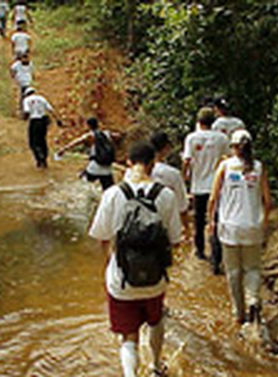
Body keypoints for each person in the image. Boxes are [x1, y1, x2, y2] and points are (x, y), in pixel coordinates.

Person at [89, 141, 182, 377]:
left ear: (128, 163)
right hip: (156, 280)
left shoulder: (112, 194)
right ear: (153, 164)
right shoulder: (166, 195)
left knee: (128, 336)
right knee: (155, 320)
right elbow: (175, 239)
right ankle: (156, 366)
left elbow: (101, 237)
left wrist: (110, 262)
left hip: (121, 281)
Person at [207, 130, 271, 325]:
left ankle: (239, 313)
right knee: (252, 268)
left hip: (229, 227)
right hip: (253, 225)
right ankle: (253, 299)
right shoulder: (259, 167)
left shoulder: (225, 167)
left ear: (233, 147)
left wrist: (211, 221)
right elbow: (267, 201)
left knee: (233, 271)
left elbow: (213, 198)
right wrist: (264, 221)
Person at [182, 107, 229, 262]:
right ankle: (217, 255)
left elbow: (187, 160)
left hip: (198, 185)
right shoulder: (222, 138)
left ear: (199, 121)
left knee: (199, 220)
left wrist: (185, 176)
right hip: (217, 186)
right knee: (217, 219)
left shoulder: (191, 138)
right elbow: (227, 159)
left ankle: (200, 250)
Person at [56, 117, 117, 190]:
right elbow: (118, 136)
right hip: (107, 168)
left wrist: (63, 149)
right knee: (109, 190)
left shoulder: (90, 135)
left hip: (95, 167)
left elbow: (76, 142)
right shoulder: (107, 133)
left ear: (88, 126)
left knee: (83, 182)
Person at [149, 131, 190, 237]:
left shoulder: (133, 173)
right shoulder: (173, 174)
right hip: (166, 224)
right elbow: (182, 205)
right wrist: (186, 227)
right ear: (166, 148)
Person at [22, 87, 63, 168]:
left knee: (33, 141)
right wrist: (58, 120)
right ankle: (44, 158)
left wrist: (25, 118)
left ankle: (39, 158)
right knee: (42, 139)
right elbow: (51, 110)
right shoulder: (42, 98)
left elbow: (27, 111)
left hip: (34, 121)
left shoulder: (27, 100)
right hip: (43, 121)